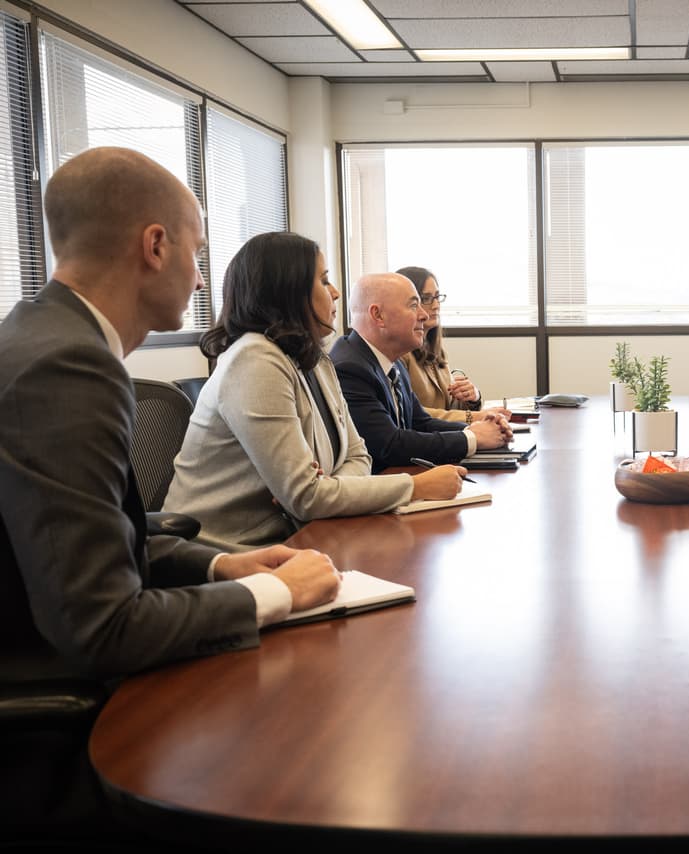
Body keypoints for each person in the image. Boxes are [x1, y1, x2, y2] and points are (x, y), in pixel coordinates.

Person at [0, 148, 340, 837]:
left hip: (44, 643)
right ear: (155, 245)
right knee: (304, 753)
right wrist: (276, 595)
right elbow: (103, 627)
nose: (200, 273)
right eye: (197, 249)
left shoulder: (40, 333)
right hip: (58, 713)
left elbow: (96, 535)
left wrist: (222, 564)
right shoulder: (67, 366)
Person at [163, 233, 466, 550]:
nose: (335, 294)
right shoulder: (254, 360)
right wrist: (414, 486)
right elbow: (306, 497)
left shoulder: (317, 359)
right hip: (224, 553)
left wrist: (327, 487)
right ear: (287, 291)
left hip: (297, 537)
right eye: (323, 282)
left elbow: (358, 454)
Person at [330, 272, 513, 472]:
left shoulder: (393, 363)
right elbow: (388, 445)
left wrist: (480, 429)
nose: (424, 315)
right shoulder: (349, 368)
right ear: (378, 315)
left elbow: (420, 423)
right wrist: (472, 437)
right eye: (413, 305)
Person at [396, 266, 499, 419]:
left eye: (437, 297)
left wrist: (472, 397)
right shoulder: (399, 353)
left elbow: (448, 406)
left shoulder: (435, 349)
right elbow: (411, 413)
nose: (436, 305)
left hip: (444, 435)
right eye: (426, 299)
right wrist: (474, 417)